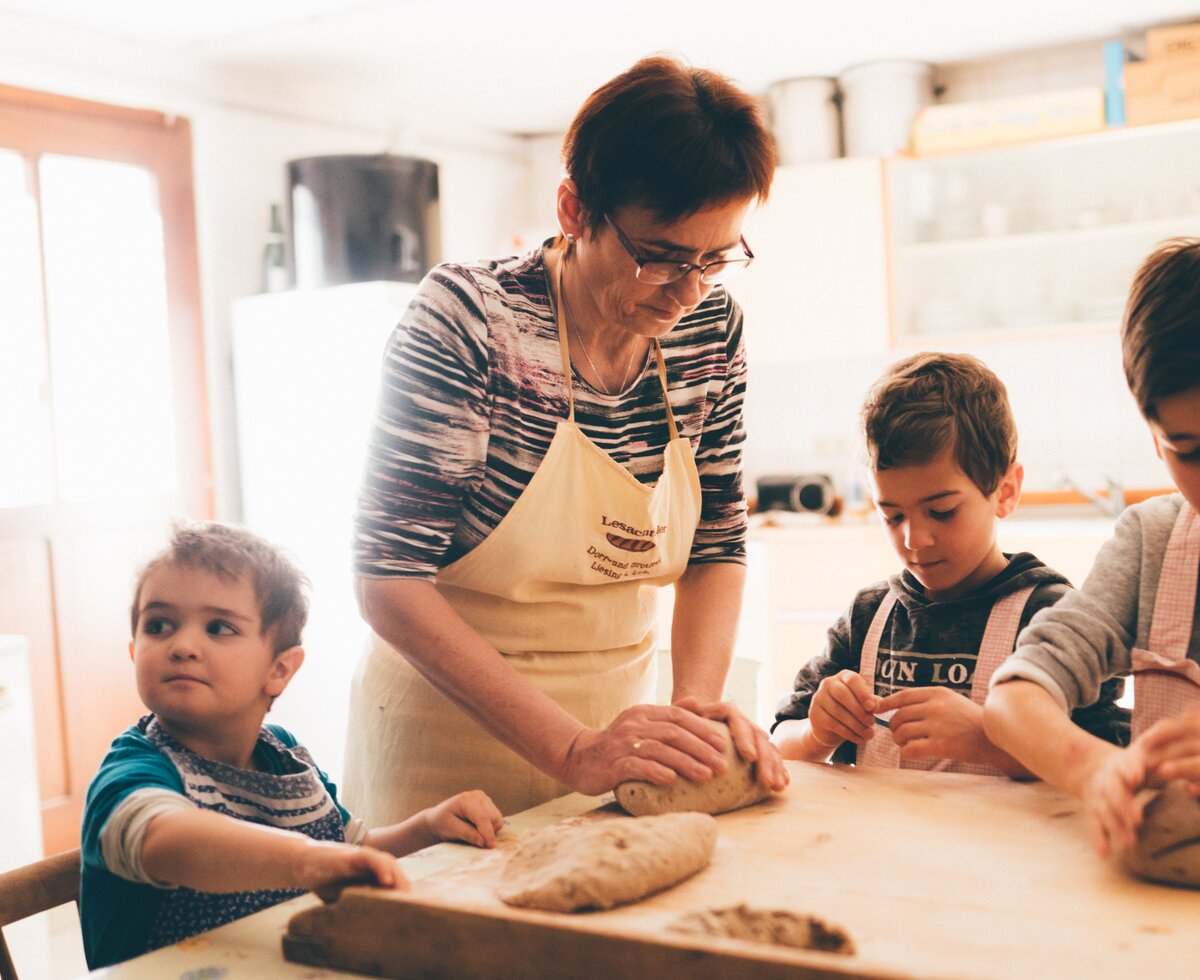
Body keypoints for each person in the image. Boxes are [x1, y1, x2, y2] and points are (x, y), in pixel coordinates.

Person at [344, 54, 788, 827]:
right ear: (576, 210)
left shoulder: (711, 333)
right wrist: (570, 750)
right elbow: (388, 578)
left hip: (617, 757)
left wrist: (691, 715)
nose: (687, 294)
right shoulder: (472, 321)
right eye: (661, 258)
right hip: (444, 763)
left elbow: (717, 538)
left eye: (715, 260)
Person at [81, 522, 503, 969]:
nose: (183, 645)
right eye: (159, 625)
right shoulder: (133, 767)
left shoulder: (285, 757)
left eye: (218, 627)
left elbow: (348, 849)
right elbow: (165, 838)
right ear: (134, 652)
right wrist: (305, 859)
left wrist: (428, 826)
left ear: (280, 670)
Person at [772, 352, 1127, 773]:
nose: (914, 539)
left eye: (942, 511)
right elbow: (779, 743)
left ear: (1006, 491)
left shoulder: (1052, 617)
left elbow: (1109, 761)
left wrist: (988, 740)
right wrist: (817, 733)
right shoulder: (869, 617)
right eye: (893, 515)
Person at [985, 238, 1200, 856]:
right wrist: (1096, 768)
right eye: (1189, 449)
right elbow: (1014, 698)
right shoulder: (1154, 545)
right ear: (1153, 438)